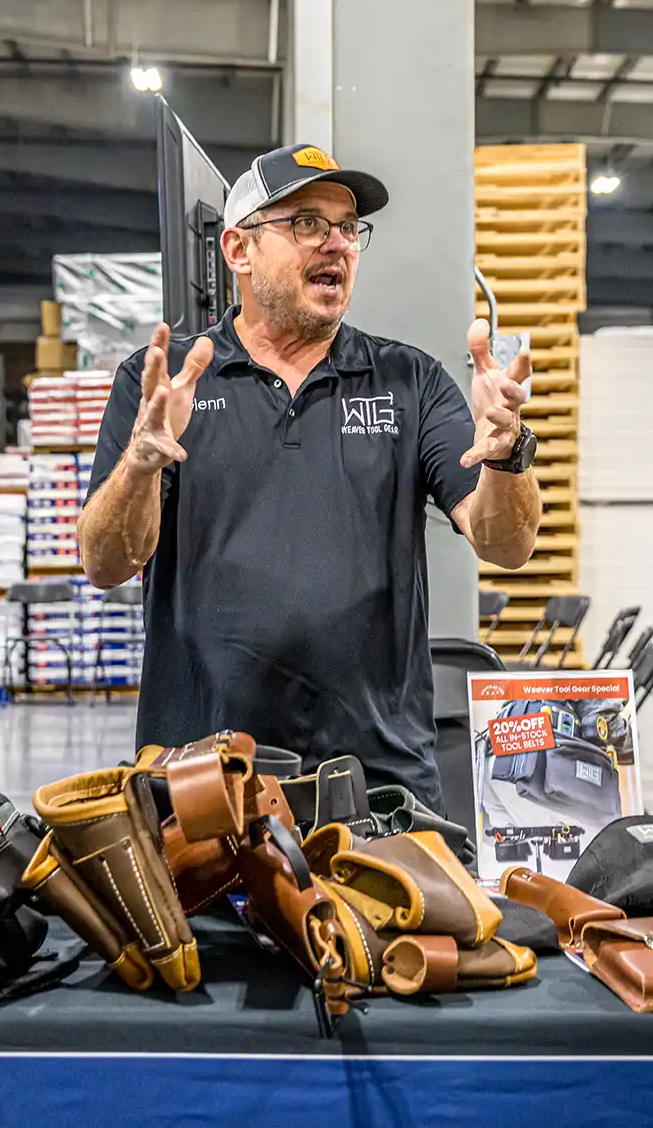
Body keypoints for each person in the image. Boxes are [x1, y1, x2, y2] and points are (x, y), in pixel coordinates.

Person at [79, 143, 541, 812]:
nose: (337, 244)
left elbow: (507, 545)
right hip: (206, 784)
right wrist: (141, 463)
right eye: (306, 224)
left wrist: (507, 455)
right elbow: (104, 563)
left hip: (379, 787)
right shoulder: (165, 383)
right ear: (238, 250)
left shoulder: (409, 381)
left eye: (349, 227)